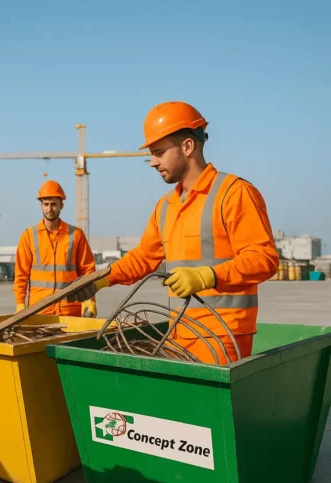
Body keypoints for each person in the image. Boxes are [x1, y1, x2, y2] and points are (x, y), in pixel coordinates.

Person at [81, 101, 279, 364]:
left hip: (223, 336)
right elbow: (143, 258)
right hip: (179, 334)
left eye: (159, 152)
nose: (152, 162)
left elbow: (263, 258)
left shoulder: (233, 193)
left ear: (187, 146)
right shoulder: (166, 206)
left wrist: (207, 276)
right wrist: (100, 280)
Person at [13, 180, 97, 317]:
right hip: (39, 310)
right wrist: (20, 303)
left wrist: (90, 300)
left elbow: (88, 271)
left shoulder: (76, 235)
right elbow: (21, 275)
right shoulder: (28, 236)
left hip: (70, 309)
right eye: (46, 204)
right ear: (41, 206)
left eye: (53, 204)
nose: (49, 209)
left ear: (61, 205)